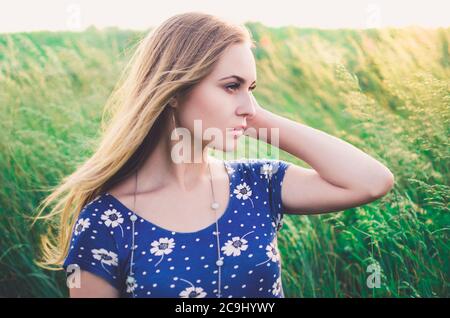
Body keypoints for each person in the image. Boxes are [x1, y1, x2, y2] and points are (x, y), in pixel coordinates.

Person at [34, 12, 394, 298]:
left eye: (251, 88)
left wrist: (253, 115)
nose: (247, 104)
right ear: (173, 91)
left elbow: (372, 181)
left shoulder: (257, 185)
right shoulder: (106, 220)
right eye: (231, 86)